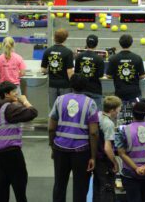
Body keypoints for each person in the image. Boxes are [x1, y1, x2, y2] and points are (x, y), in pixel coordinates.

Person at [48, 74, 99, 202]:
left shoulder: (59, 100)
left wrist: (53, 146)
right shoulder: (90, 103)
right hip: (81, 152)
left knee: (59, 185)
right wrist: (93, 156)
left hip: (60, 148)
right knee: (80, 187)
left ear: (70, 85)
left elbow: (51, 128)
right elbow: (93, 132)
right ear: (85, 86)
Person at [0, 81, 38, 202]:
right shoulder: (9, 108)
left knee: (2, 182)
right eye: (13, 91)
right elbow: (32, 113)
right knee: (19, 183)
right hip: (12, 152)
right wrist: (25, 101)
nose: (16, 93)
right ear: (6, 94)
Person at [115, 102, 145, 202]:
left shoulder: (124, 130)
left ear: (132, 113)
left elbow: (121, 153)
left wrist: (136, 168)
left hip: (130, 174)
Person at [93, 96, 122, 202]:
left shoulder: (98, 115)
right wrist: (115, 162)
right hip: (104, 161)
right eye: (118, 109)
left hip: (96, 157)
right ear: (112, 110)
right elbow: (107, 148)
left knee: (98, 185)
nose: (119, 112)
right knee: (107, 187)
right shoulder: (109, 124)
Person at [107, 34, 145, 103]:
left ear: (120, 43)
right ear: (131, 43)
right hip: (134, 93)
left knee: (118, 113)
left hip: (120, 93)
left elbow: (109, 76)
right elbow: (142, 76)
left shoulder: (113, 58)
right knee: (136, 113)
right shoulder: (137, 58)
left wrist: (117, 76)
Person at [41, 28, 74, 109]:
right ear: (65, 39)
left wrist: (52, 70)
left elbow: (43, 69)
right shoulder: (68, 52)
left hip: (52, 85)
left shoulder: (48, 51)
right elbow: (69, 71)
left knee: (53, 109)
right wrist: (74, 84)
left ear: (54, 37)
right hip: (65, 86)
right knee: (65, 108)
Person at [75, 34, 105, 109]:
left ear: (86, 43)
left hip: (81, 89)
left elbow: (76, 72)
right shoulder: (99, 58)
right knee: (96, 115)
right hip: (95, 90)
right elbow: (100, 75)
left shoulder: (79, 56)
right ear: (96, 44)